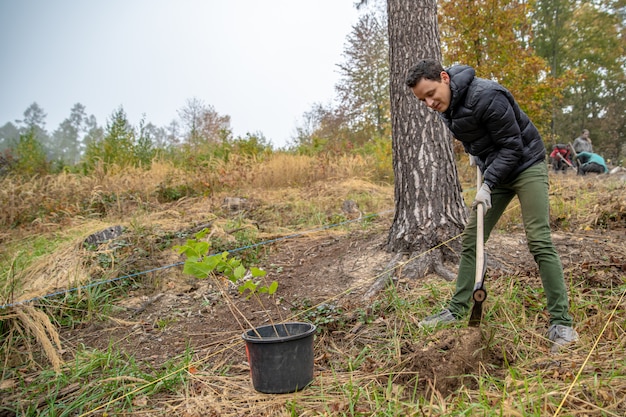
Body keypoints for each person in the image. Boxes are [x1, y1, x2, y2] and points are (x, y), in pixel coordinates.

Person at [405, 59, 578, 353]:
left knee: (538, 240)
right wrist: (476, 155)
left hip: (526, 166)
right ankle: (457, 309)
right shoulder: (446, 108)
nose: (429, 103)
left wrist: (488, 183)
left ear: (444, 78)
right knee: (472, 240)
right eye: (423, 99)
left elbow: (513, 146)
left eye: (431, 93)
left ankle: (561, 322)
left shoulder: (488, 96)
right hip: (496, 170)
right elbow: (479, 137)